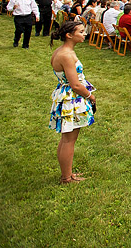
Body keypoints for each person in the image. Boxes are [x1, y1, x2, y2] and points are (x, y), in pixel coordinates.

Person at [49, 20, 95, 184]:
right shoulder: (66, 55)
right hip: (71, 98)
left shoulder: (61, 51)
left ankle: (67, 174)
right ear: (69, 35)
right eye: (81, 32)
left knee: (66, 138)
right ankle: (66, 177)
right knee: (69, 139)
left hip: (66, 95)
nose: (84, 34)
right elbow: (75, 84)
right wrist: (90, 95)